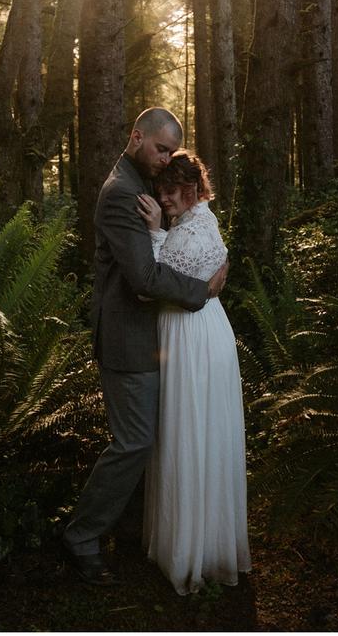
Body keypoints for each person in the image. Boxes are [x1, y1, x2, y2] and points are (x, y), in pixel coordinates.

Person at [60, 108, 228, 586]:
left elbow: (184, 239)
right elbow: (145, 277)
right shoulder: (121, 195)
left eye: (171, 152)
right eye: (159, 149)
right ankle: (82, 537)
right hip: (128, 339)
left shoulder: (143, 188)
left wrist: (217, 261)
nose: (165, 159)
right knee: (134, 441)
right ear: (136, 137)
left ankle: (130, 533)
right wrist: (204, 291)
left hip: (156, 340)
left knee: (152, 440)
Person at [135, 151, 251, 595]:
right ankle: (194, 539)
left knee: (192, 430)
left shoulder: (194, 228)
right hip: (200, 330)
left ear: (192, 188)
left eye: (171, 190)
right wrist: (162, 232)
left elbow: (155, 285)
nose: (163, 198)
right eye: (160, 190)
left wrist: (152, 234)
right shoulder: (196, 221)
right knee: (193, 429)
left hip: (192, 336)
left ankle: (194, 551)